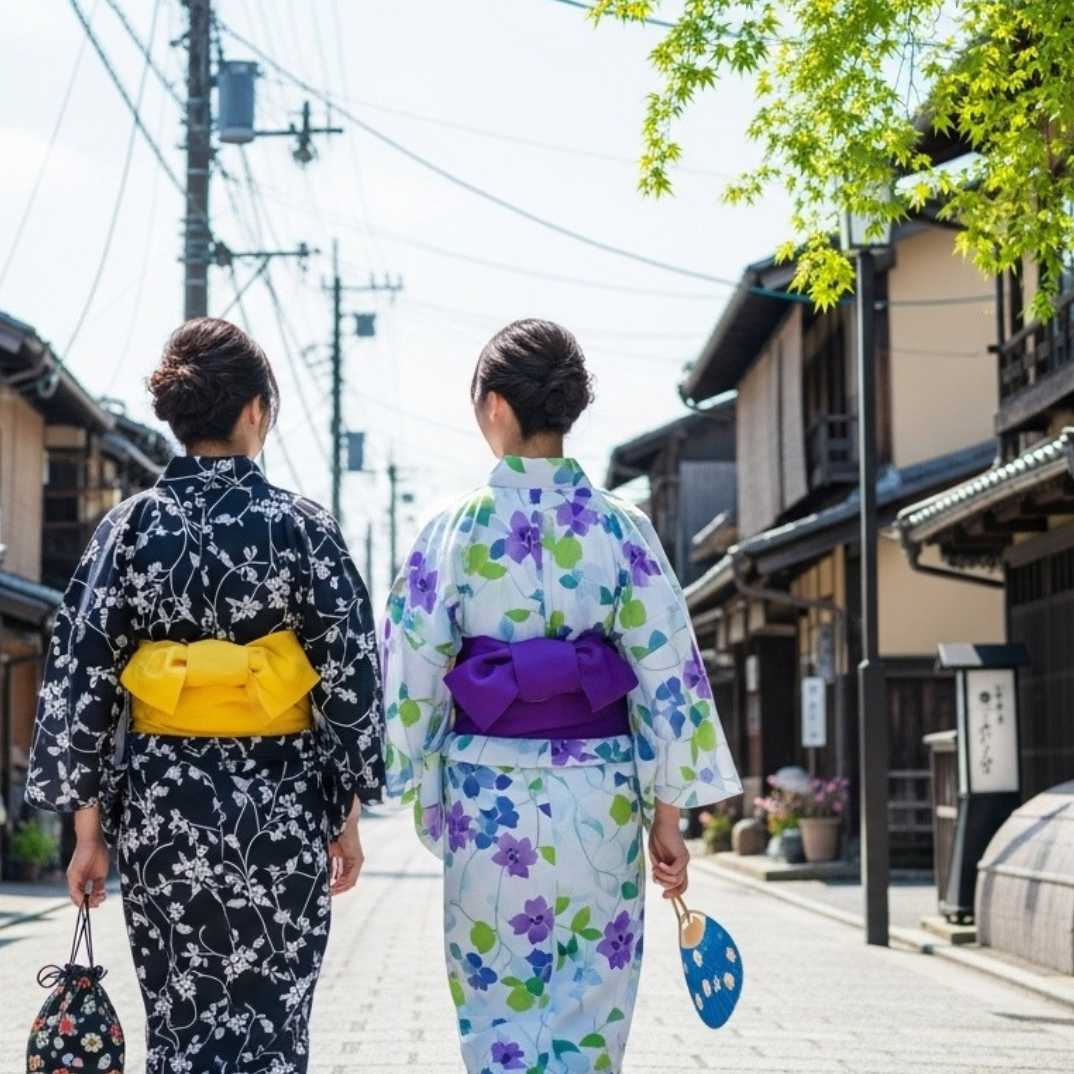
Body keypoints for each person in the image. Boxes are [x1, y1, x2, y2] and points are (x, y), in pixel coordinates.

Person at [382, 319, 741, 1074]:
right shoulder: (622, 528)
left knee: (496, 1003)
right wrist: (667, 819)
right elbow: (667, 674)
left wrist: (393, 781)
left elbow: (409, 680)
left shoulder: (451, 531)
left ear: (495, 409)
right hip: (602, 794)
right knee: (591, 1002)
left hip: (489, 797)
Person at [27, 318, 383, 1074]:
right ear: (257, 408)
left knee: (180, 1027)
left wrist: (89, 834)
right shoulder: (303, 530)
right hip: (280, 812)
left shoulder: (127, 530)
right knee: (274, 1031)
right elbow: (350, 682)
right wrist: (348, 818)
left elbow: (80, 684)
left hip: (165, 814)